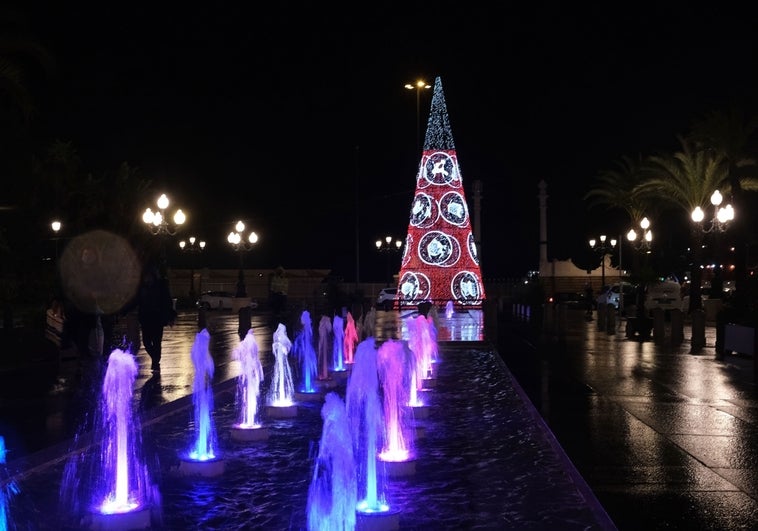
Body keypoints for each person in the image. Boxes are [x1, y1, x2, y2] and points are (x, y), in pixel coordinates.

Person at [138, 263, 176, 372]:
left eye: (148, 276)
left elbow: (167, 301)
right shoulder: (142, 287)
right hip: (145, 319)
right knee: (146, 342)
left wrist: (170, 315)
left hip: (157, 319)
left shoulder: (161, 286)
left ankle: (155, 361)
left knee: (156, 341)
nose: (147, 278)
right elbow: (137, 301)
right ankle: (155, 357)